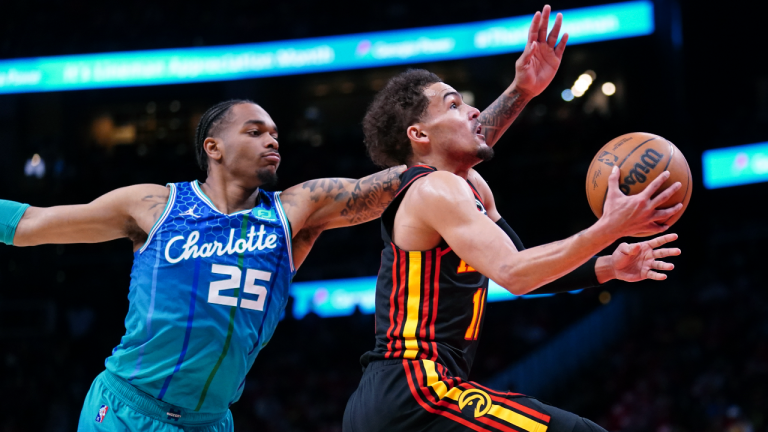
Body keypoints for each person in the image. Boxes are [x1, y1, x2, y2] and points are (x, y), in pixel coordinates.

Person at [0, 20, 548, 428]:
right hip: (124, 408)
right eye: (256, 131)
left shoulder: (295, 211)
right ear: (213, 147)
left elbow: (428, 165)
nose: (273, 139)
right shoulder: (152, 205)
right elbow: (31, 224)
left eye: (276, 132)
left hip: (211, 420)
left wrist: (519, 92)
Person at [343, 7, 684, 432]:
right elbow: (515, 275)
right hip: (415, 391)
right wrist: (609, 227)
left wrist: (610, 266)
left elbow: (524, 265)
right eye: (454, 104)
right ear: (419, 135)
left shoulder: (468, 186)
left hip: (396, 399)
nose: (471, 112)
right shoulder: (435, 188)